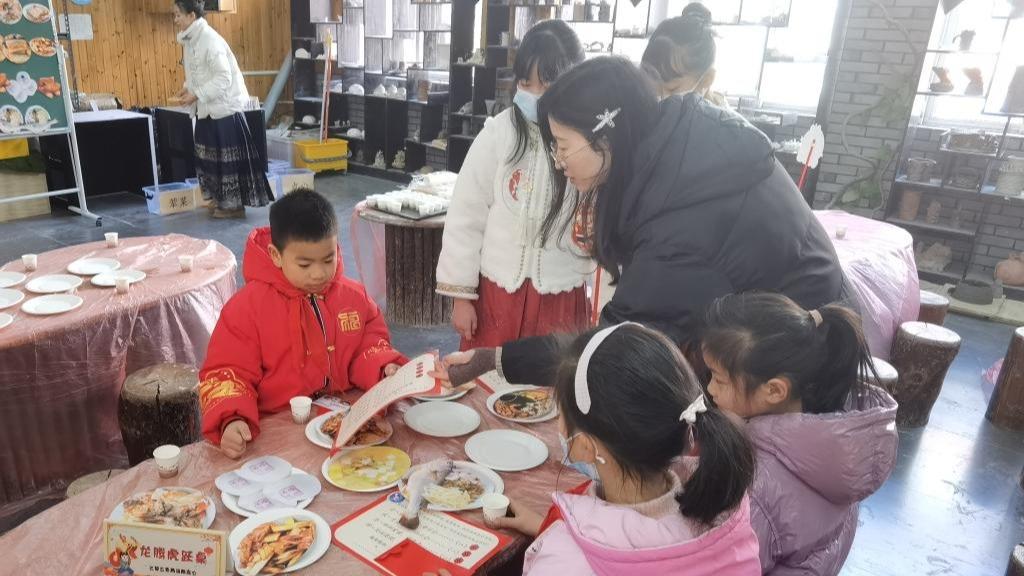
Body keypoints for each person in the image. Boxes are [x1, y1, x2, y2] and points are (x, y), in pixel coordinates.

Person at [438, 56, 845, 388]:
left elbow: (615, 346)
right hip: (781, 332)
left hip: (797, 361)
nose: (559, 165)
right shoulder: (674, 144)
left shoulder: (681, 215)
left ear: (605, 136)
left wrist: (494, 359)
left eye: (562, 147)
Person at [485, 323, 760, 575]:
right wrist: (554, 527)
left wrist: (564, 542)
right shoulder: (725, 514)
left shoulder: (564, 563)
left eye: (561, 413)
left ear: (584, 446)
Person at [198, 189, 406, 458]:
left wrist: (384, 366)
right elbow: (228, 371)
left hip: (343, 421)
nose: (319, 273)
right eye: (305, 264)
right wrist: (231, 419)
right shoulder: (247, 308)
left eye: (328, 259)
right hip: (275, 428)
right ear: (275, 255)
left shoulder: (352, 297)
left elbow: (368, 343)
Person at [702, 292, 898, 575]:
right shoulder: (836, 431)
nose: (710, 389)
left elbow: (727, 566)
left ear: (774, 390)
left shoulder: (756, 488)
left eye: (718, 378)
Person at [436, 20, 592, 350]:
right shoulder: (498, 134)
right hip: (496, 293)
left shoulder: (584, 143)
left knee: (548, 385)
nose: (534, 94)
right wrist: (461, 297)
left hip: (559, 294)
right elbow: (466, 215)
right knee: (486, 379)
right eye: (526, 82)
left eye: (547, 85)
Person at [173, 0, 272, 219]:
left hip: (225, 109)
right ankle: (220, 199)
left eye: (178, 15)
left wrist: (196, 94)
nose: (175, 19)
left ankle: (233, 206)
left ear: (191, 16)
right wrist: (187, 88)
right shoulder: (190, 41)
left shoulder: (210, 40)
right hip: (207, 108)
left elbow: (223, 78)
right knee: (208, 157)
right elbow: (198, 73)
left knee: (226, 160)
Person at [642, 3, 729, 107]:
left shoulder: (722, 122)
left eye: (672, 89)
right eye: (653, 89)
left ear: (706, 79)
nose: (659, 98)